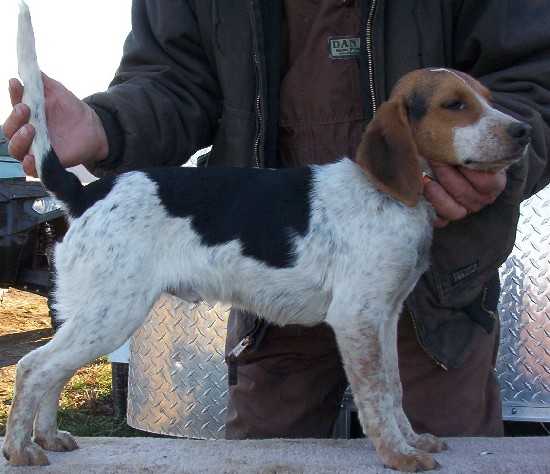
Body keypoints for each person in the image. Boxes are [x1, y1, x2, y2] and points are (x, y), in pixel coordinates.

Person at [4, 0, 550, 440]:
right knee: (98, 334)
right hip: (241, 289)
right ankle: (28, 410)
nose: (495, 119)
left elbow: (534, 77)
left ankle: (41, 421)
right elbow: (174, 79)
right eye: (462, 106)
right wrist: (107, 122)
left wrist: (514, 147)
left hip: (446, 306)